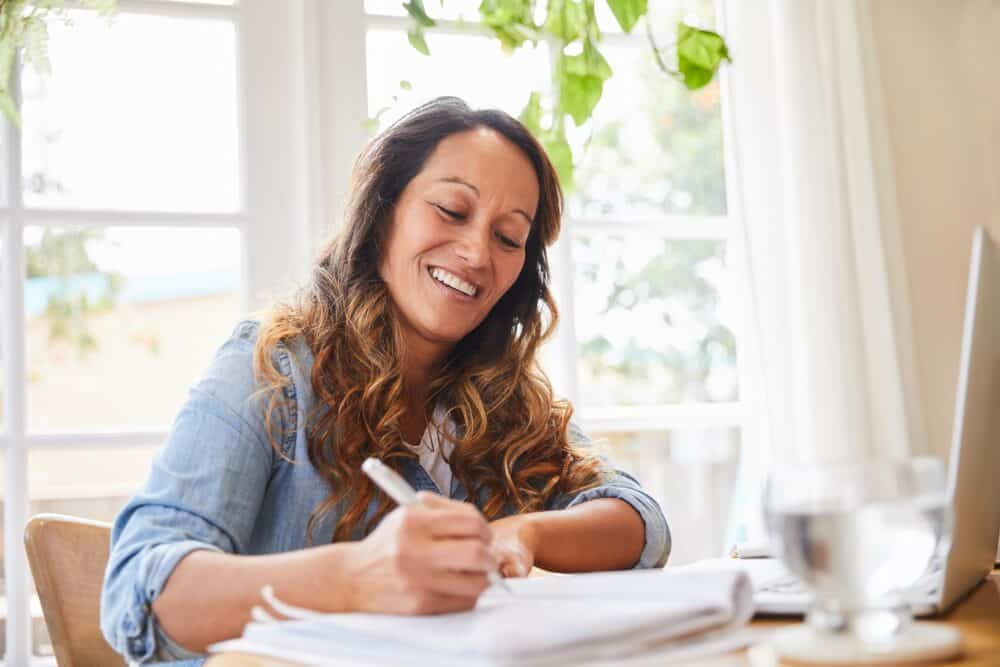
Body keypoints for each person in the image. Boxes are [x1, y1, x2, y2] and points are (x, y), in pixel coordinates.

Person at [100, 96, 670, 665]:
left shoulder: (507, 403)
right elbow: (141, 593)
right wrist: (355, 579)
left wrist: (526, 533)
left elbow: (639, 520)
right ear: (383, 210)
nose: (476, 252)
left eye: (508, 237)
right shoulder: (273, 367)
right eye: (451, 209)